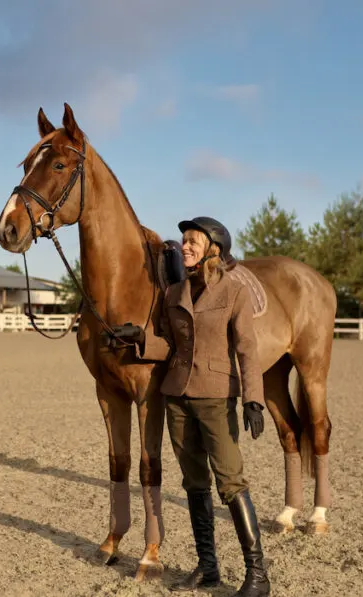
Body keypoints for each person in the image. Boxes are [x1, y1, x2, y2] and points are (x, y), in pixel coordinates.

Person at [114, 216, 270, 597]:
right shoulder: (174, 293)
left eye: (192, 241)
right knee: (194, 484)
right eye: (183, 240)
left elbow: (247, 349)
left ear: (213, 249)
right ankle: (208, 567)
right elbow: (170, 347)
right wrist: (141, 341)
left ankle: (258, 574)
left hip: (217, 397)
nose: (184, 246)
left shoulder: (233, 292)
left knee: (230, 482)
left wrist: (253, 399)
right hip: (178, 397)